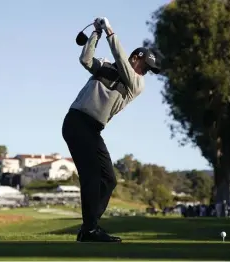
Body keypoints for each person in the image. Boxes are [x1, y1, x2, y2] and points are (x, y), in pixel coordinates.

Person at [62, 17, 161, 242]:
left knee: (109, 179)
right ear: (136, 58)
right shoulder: (106, 66)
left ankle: (89, 227)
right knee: (91, 176)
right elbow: (86, 59)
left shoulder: (136, 84)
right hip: (76, 122)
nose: (145, 73)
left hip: (92, 129)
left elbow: (123, 63)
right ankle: (89, 230)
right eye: (145, 67)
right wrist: (96, 33)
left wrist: (110, 32)